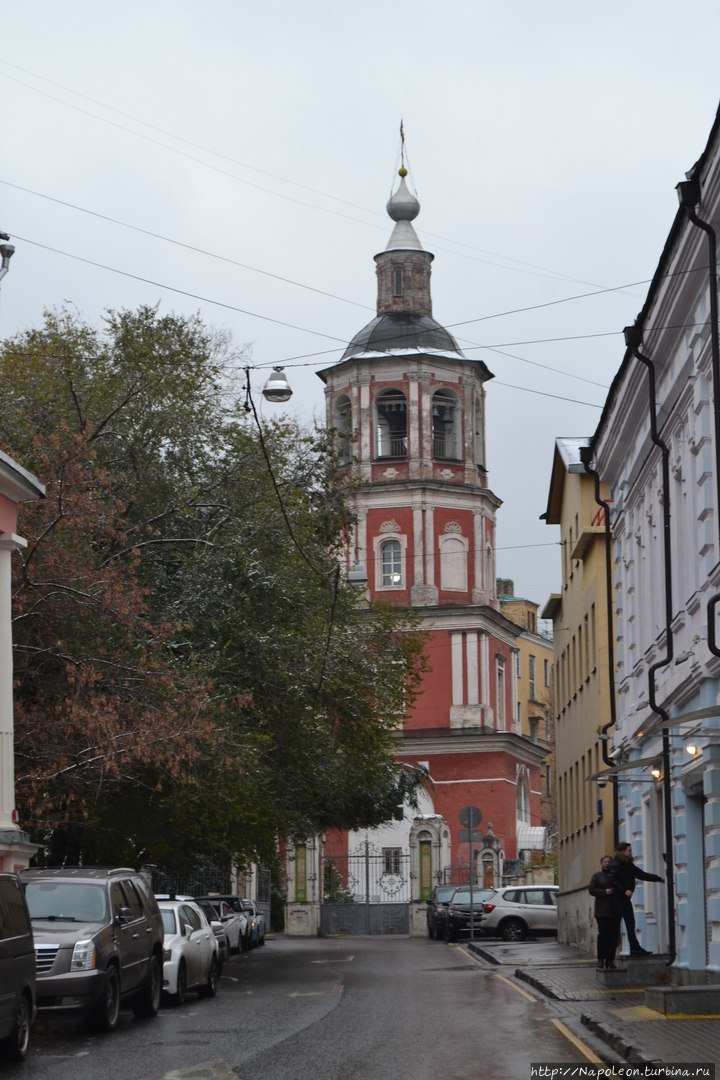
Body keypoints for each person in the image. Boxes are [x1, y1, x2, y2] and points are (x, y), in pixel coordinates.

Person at [609, 841, 664, 956]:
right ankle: (633, 948)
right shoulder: (617, 864)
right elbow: (613, 879)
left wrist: (658, 879)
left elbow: (641, 874)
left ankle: (634, 947)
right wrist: (625, 889)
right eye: (629, 850)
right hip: (619, 898)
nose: (631, 853)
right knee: (627, 923)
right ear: (623, 851)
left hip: (623, 898)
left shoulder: (627, 864)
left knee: (629, 923)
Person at [588, 855, 621, 970]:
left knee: (613, 936)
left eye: (609, 862)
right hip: (602, 911)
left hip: (615, 910)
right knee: (603, 935)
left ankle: (610, 960)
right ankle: (601, 959)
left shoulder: (615, 875)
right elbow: (591, 890)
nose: (607, 864)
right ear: (601, 864)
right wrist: (604, 892)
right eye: (605, 862)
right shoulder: (597, 876)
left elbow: (620, 887)